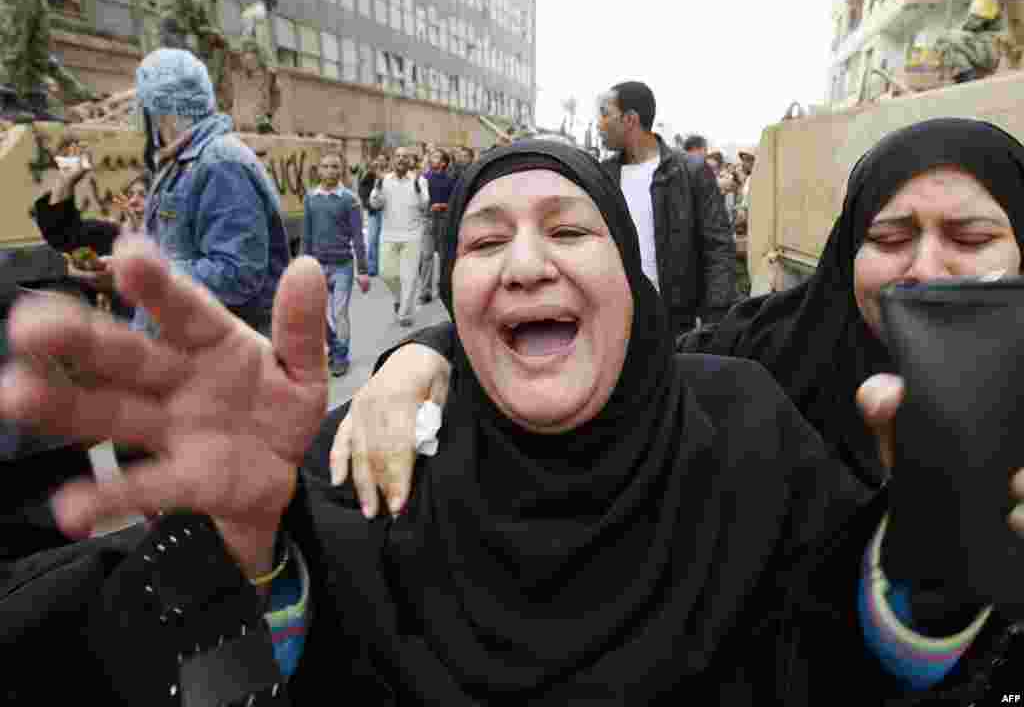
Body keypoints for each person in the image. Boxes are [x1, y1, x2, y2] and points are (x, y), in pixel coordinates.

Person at [4, 141, 1023, 704]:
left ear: (631, 288)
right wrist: (233, 565)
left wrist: (932, 574)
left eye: (570, 230)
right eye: (485, 242)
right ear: (457, 300)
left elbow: (856, 669)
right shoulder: (376, 466)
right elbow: (249, 685)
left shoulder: (745, 429)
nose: (527, 264)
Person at [338, 118, 1024, 509]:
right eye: (890, 239)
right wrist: (425, 353)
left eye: (970, 239)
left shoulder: (743, 427)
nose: (926, 269)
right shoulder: (763, 374)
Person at [135, 47, 291, 338]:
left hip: (224, 361)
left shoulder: (220, 163)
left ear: (162, 110)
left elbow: (237, 275)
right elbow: (180, 246)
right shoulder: (186, 160)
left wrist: (146, 274)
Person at [597, 82, 735, 336]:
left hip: (678, 325)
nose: (599, 123)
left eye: (605, 113)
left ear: (630, 119)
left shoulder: (690, 171)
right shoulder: (603, 176)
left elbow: (718, 246)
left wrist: (714, 319)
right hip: (618, 320)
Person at [32, 157, 149, 320]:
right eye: (130, 195)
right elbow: (64, 235)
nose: (134, 200)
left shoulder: (171, 241)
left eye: (143, 195)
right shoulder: (110, 233)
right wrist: (68, 181)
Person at [301, 152, 370, 377]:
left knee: (339, 312)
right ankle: (335, 347)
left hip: (343, 266)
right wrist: (303, 266)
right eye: (326, 166)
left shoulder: (350, 200)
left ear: (341, 170)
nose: (330, 170)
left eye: (335, 166)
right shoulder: (311, 198)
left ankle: (340, 357)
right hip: (318, 265)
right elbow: (306, 236)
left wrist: (363, 270)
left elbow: (358, 237)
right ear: (319, 170)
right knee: (316, 314)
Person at [369, 146, 429, 327]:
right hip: (389, 234)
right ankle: (398, 298)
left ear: (410, 161)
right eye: (398, 156)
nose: (401, 159)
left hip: (412, 234)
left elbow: (424, 205)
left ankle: (404, 314)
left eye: (405, 156)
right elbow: (374, 203)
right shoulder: (384, 180)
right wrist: (378, 187)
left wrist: (418, 188)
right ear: (393, 160)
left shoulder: (420, 180)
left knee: (409, 276)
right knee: (387, 274)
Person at [417, 148, 455, 304]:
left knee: (444, 256)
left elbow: (454, 201)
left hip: (444, 219)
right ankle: (425, 291)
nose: (433, 159)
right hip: (428, 220)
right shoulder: (423, 179)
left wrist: (443, 205)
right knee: (426, 256)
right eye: (432, 156)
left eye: (437, 157)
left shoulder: (451, 179)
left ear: (444, 163)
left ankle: (443, 288)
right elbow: (417, 201)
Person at [358, 153, 388, 277]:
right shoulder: (369, 175)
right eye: (378, 160)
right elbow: (362, 190)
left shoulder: (390, 175)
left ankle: (383, 267)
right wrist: (368, 205)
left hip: (387, 212)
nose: (380, 162)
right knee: (372, 239)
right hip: (373, 212)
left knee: (385, 241)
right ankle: (372, 267)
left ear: (387, 162)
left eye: (383, 160)